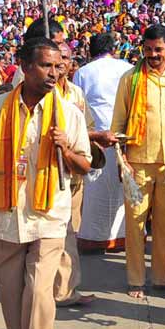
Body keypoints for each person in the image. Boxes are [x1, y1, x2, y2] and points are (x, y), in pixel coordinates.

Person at [0, 37, 91, 329]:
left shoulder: (69, 113)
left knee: (39, 293)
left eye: (59, 66)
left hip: (49, 215)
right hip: (7, 214)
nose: (55, 73)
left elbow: (86, 164)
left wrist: (64, 149)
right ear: (24, 65)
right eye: (46, 66)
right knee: (10, 296)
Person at [111, 25, 165, 298]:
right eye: (148, 50)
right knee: (135, 224)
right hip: (137, 163)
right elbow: (118, 125)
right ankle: (135, 280)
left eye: (158, 49)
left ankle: (163, 278)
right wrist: (123, 161)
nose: (153, 55)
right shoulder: (129, 80)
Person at [73, 33, 132, 251]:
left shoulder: (82, 72)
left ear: (90, 50)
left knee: (96, 188)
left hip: (95, 136)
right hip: (121, 135)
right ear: (114, 49)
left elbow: (78, 106)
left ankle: (93, 239)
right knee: (118, 189)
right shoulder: (127, 68)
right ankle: (120, 239)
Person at [53, 41, 101, 307]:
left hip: (73, 173)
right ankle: (58, 290)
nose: (60, 65)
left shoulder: (76, 93)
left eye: (66, 59)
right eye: (56, 59)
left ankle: (64, 289)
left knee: (70, 231)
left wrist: (90, 139)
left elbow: (88, 128)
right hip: (49, 174)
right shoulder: (37, 92)